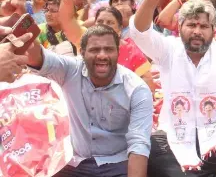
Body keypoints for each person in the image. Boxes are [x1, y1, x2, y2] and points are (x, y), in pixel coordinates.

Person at [130, 0, 216, 176]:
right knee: (150, 150)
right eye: (191, 25)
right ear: (180, 27)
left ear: (214, 30)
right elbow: (139, 32)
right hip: (172, 135)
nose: (197, 31)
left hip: (215, 134)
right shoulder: (168, 50)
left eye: (204, 26)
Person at [26, 24, 153, 177]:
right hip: (74, 162)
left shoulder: (137, 89)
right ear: (82, 52)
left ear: (118, 52)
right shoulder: (70, 70)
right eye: (94, 50)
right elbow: (38, 58)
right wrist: (25, 31)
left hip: (116, 164)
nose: (102, 55)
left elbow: (139, 144)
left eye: (109, 49)